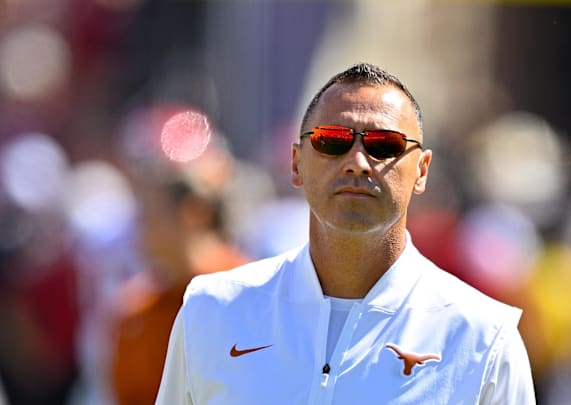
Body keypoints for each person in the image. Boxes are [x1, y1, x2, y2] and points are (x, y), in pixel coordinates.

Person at [156, 62, 535, 404]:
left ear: (421, 170)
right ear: (296, 163)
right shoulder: (212, 309)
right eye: (331, 141)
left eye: (384, 145)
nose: (356, 162)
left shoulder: (485, 337)